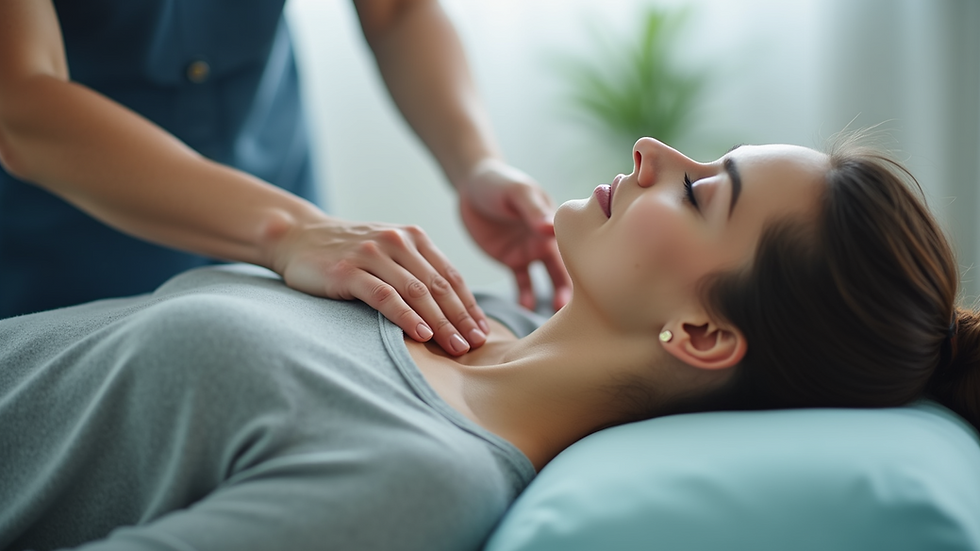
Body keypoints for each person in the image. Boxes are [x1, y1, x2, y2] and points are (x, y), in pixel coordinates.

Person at [1, 136, 977, 550]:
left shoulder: (411, 481)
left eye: (697, 191)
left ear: (702, 332)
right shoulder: (473, 310)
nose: (651, 151)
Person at [0, 0, 572, 357]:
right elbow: (20, 102)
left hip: (286, 228)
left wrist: (475, 162)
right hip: (55, 255)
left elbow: (397, 10)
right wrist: (292, 230)